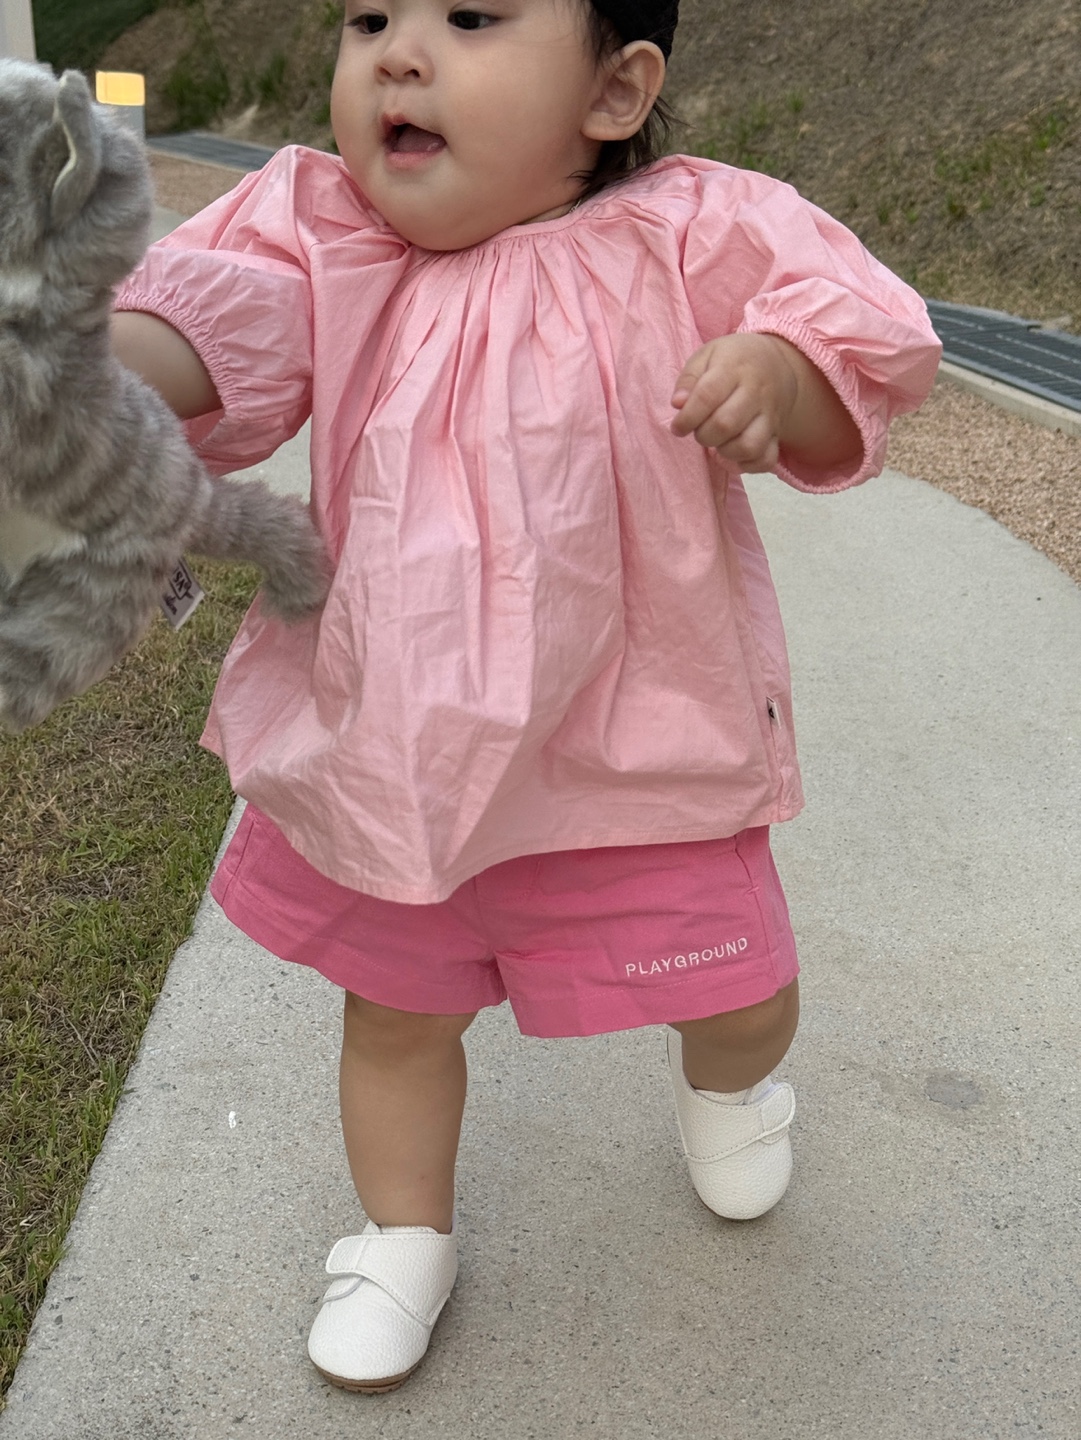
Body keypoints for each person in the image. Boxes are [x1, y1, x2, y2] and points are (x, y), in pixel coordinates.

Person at [111, 0, 941, 1396]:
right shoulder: (325, 237)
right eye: (368, 16)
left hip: (638, 752)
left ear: (614, 92)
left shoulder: (689, 232)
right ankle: (402, 1235)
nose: (399, 51)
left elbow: (853, 335)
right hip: (401, 755)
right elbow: (201, 328)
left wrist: (777, 375)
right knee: (394, 1015)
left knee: (738, 992)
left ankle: (734, 1085)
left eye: (471, 16)